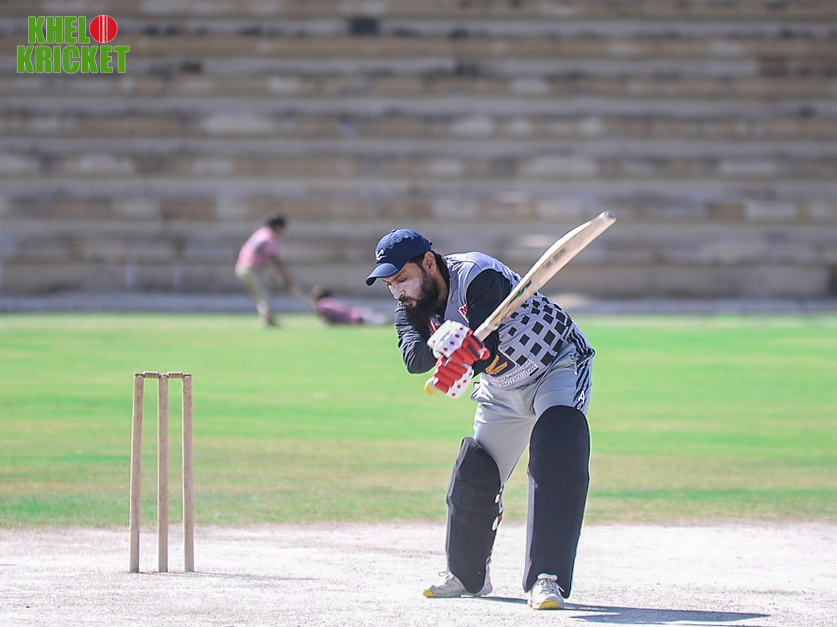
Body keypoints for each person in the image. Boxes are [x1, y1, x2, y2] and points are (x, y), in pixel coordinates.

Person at [365, 229, 594, 610]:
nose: (398, 291)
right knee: (475, 468)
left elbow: (487, 344)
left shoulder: (478, 273)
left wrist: (463, 353)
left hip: (557, 362)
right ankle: (467, 575)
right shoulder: (410, 307)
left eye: (402, 278)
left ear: (428, 262)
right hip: (501, 388)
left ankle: (547, 578)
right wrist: (444, 348)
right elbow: (414, 360)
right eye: (390, 284)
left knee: (558, 446)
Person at [235, 213, 294, 327]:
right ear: (278, 227)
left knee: (260, 294)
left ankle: (268, 317)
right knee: (264, 294)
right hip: (251, 268)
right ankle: (268, 319)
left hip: (241, 267)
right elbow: (275, 260)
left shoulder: (260, 233)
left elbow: (257, 254)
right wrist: (285, 277)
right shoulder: (269, 238)